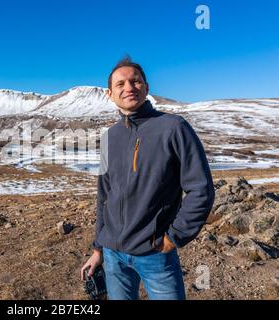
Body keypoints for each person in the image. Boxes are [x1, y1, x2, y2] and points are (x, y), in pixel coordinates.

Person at [80, 56, 215, 300]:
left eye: (136, 81)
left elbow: (201, 189)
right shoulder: (110, 137)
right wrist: (99, 248)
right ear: (110, 94)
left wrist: (174, 238)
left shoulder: (173, 128)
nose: (129, 87)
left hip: (155, 254)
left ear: (147, 87)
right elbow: (104, 198)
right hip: (113, 256)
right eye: (120, 84)